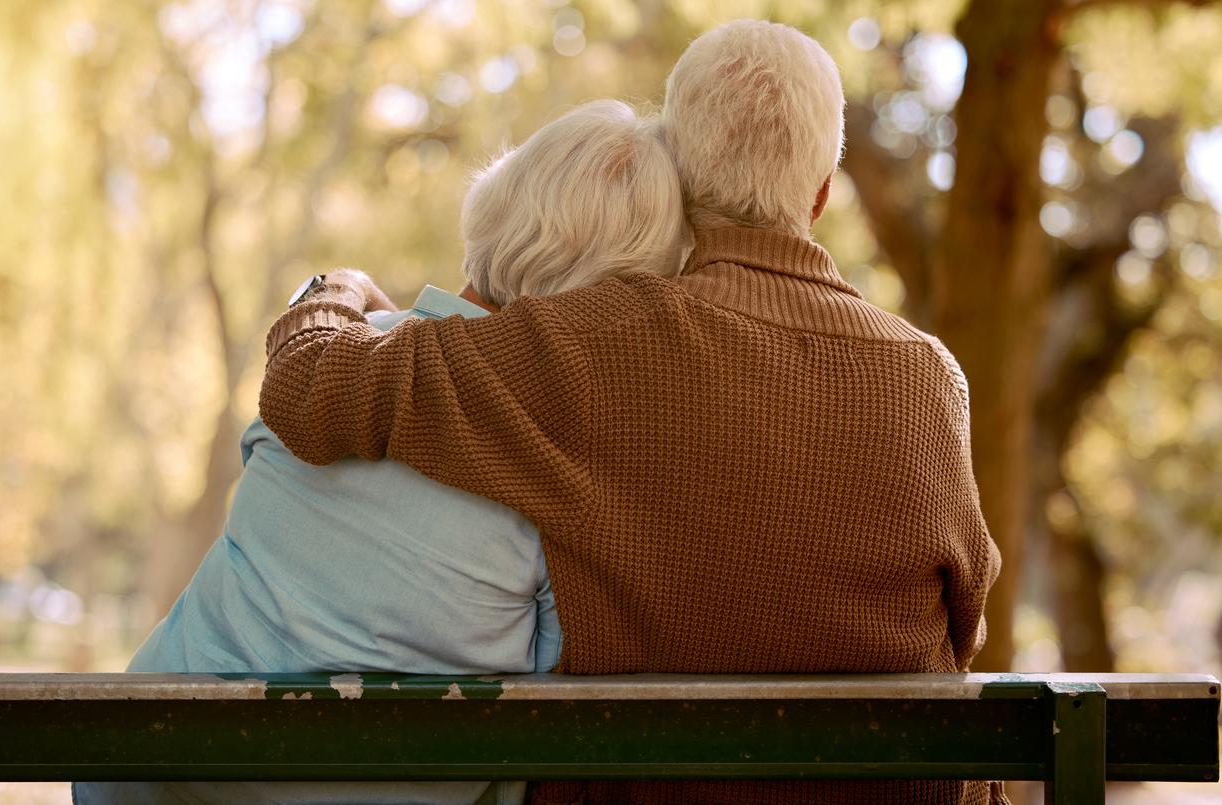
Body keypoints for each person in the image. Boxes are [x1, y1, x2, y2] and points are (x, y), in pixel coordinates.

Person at [260, 20, 1004, 805]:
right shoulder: (929, 377)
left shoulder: (593, 340)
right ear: (822, 192)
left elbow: (310, 390)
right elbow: (964, 625)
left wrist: (337, 288)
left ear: (673, 172)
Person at [73, 99, 686, 805]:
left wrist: (338, 287)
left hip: (156, 778)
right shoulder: (567, 469)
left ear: (494, 210)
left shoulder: (323, 366)